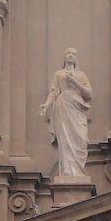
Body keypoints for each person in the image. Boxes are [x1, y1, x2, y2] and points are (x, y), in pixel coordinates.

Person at [40, 48, 92, 178]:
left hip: (77, 108)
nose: (70, 55)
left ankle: (78, 170)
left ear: (76, 59)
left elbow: (89, 94)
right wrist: (46, 104)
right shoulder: (58, 74)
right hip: (63, 106)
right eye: (68, 53)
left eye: (73, 54)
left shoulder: (81, 75)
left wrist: (74, 81)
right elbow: (54, 90)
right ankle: (68, 171)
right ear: (64, 58)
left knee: (80, 139)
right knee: (65, 138)